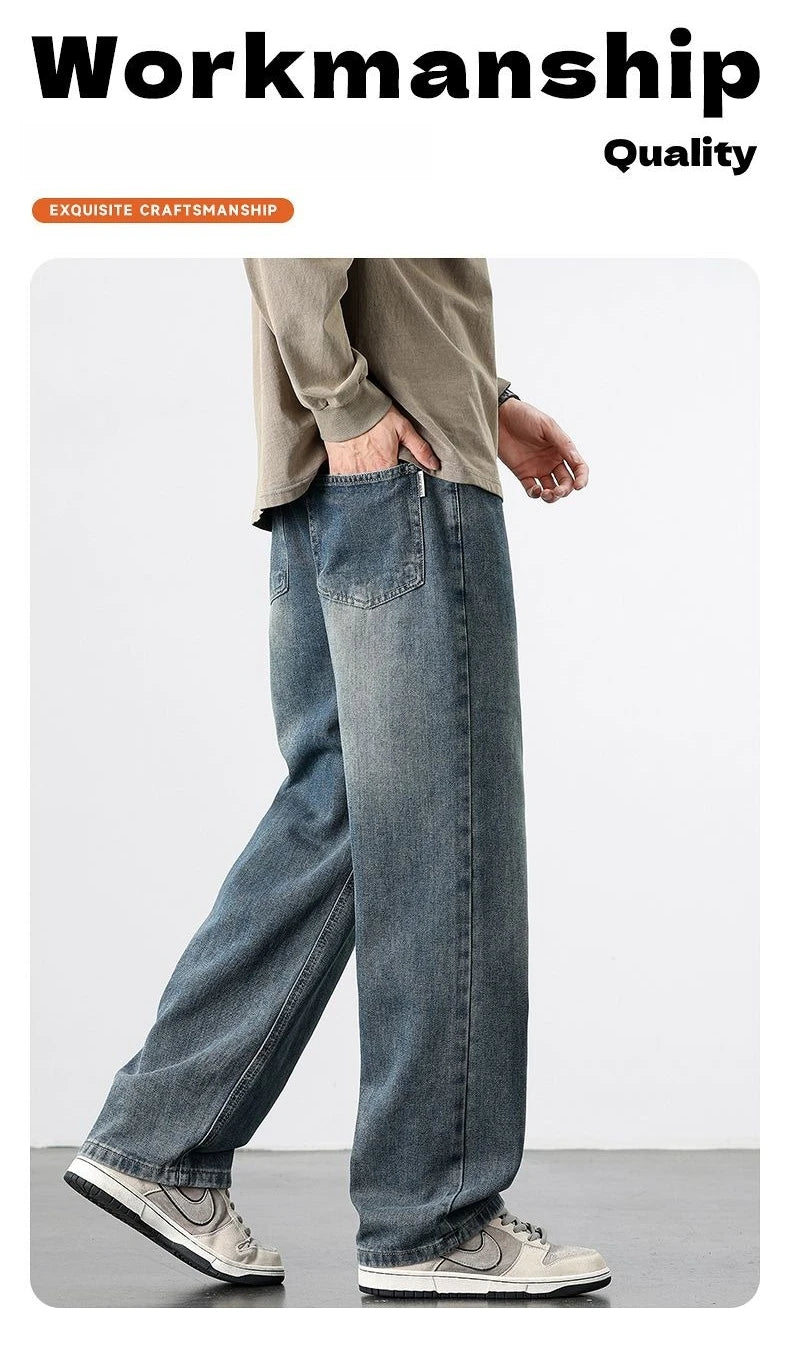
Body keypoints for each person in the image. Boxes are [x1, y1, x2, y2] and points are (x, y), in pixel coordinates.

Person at [65, 259, 610, 1300]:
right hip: (404, 469)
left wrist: (487, 399)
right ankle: (433, 1216)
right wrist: (348, 401)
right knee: (449, 831)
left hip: (345, 473)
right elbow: (289, 224)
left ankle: (158, 1142)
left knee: (348, 813)